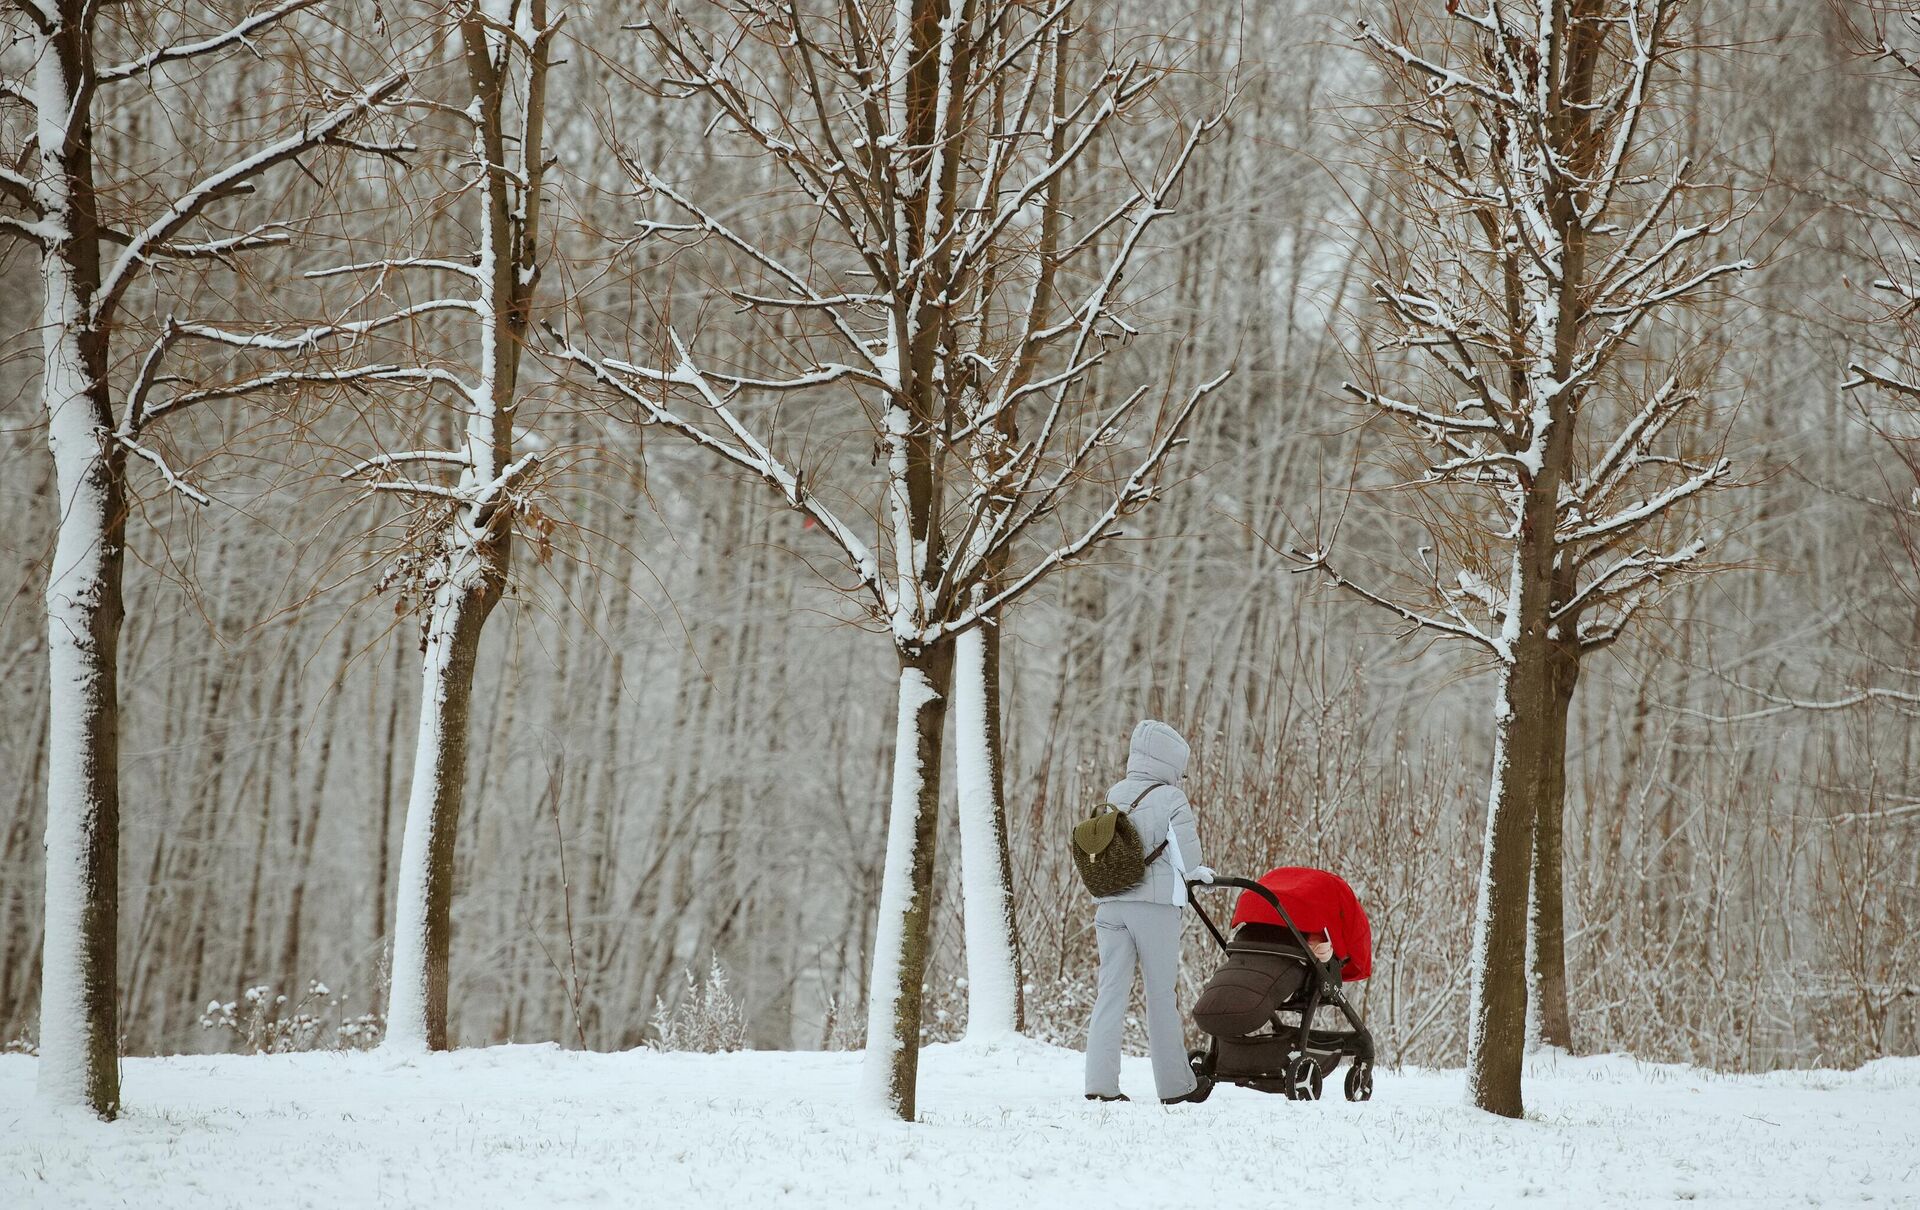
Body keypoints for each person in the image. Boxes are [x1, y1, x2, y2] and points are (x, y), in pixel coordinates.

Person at [1084, 719, 1214, 1105]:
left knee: (1109, 993)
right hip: (1153, 908)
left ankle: (1100, 1084)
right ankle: (1176, 1086)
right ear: (1171, 763)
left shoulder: (1115, 792)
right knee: (1160, 996)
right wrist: (1199, 875)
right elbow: (1189, 858)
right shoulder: (1171, 798)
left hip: (1109, 903)